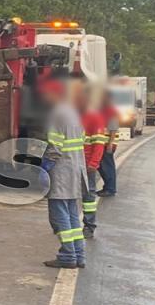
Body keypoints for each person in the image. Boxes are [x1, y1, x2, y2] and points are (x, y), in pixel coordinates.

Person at [38, 76, 88, 269]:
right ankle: (79, 255)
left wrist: (44, 168)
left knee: (59, 217)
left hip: (61, 172)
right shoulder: (74, 113)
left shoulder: (56, 114)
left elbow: (55, 148)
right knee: (73, 216)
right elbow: (81, 140)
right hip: (75, 170)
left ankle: (67, 256)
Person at [80, 93, 108, 236]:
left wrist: (93, 164)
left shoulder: (95, 118)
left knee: (88, 196)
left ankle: (89, 226)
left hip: (87, 165)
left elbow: (99, 144)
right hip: (74, 164)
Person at [96, 93, 120, 196]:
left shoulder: (111, 111)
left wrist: (110, 143)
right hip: (103, 143)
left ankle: (110, 189)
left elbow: (113, 129)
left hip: (108, 143)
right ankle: (107, 187)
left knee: (107, 166)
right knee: (101, 166)